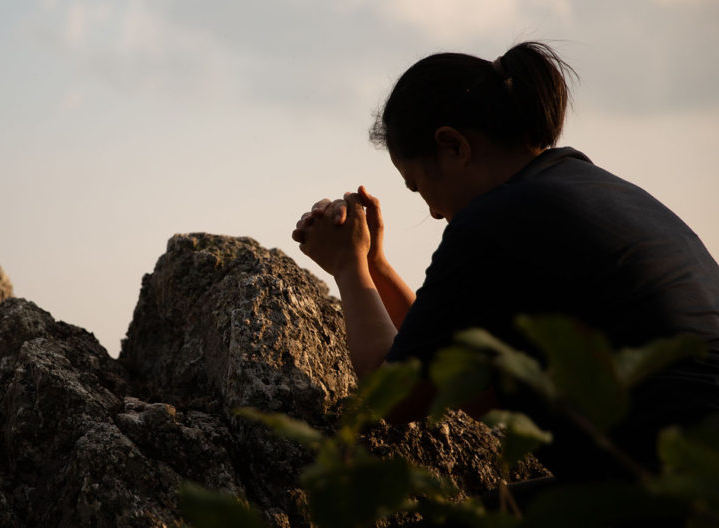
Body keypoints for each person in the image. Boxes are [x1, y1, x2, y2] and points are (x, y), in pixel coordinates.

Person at [292, 42, 719, 482]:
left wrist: (348, 266)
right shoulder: (592, 187)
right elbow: (460, 380)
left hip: (674, 491)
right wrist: (377, 267)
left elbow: (394, 396)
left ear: (452, 146)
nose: (435, 212)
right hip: (692, 462)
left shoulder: (493, 219)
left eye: (417, 186)